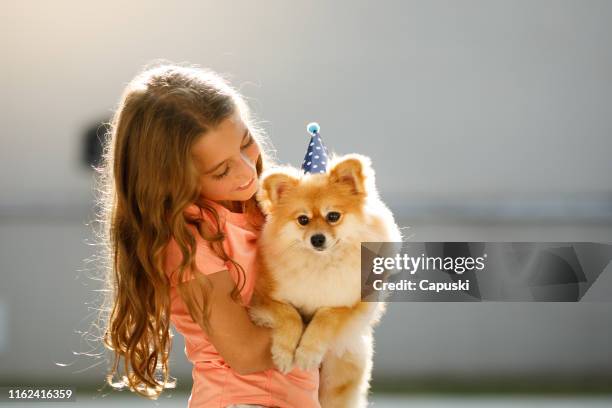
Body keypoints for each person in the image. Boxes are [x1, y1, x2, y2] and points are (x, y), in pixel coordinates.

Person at [95, 63, 320, 407]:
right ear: (174, 181)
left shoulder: (261, 203)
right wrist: (333, 304)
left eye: (246, 143)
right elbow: (245, 353)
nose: (247, 171)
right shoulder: (188, 241)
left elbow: (366, 273)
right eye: (221, 169)